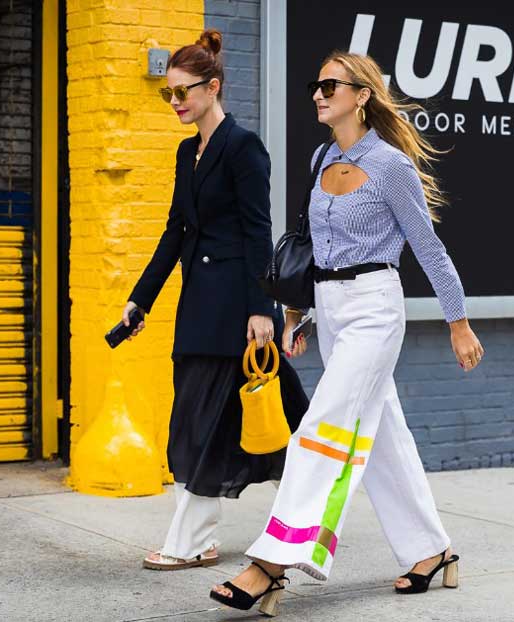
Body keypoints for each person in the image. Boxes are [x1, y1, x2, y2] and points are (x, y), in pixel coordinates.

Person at [210, 50, 484, 614]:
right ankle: (431, 550)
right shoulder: (320, 157)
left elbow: (429, 249)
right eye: (316, 84)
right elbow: (313, 246)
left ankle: (273, 561)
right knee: (384, 439)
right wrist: (295, 312)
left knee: (322, 424)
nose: (318, 92)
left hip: (374, 309)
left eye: (330, 84)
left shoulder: (391, 166)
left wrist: (458, 323)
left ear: (362, 94)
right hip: (331, 309)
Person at [123, 28, 308, 571]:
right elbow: (175, 233)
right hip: (197, 309)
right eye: (169, 94)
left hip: (236, 311)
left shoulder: (243, 146)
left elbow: (259, 231)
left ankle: (189, 542)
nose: (175, 102)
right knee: (220, 424)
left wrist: (261, 309)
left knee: (209, 427)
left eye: (183, 92)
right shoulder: (188, 153)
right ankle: (310, 507)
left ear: (214, 86)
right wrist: (141, 300)